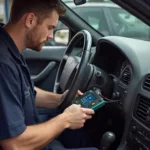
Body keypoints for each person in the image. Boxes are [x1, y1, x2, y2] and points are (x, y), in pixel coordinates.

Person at [0, 0, 97, 150]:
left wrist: (61, 100)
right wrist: (66, 119)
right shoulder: (3, 64)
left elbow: (24, 92)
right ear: (30, 20)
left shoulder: (9, 48)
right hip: (22, 142)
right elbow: (15, 144)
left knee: (80, 135)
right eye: (50, 27)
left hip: (28, 129)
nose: (51, 35)